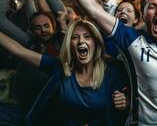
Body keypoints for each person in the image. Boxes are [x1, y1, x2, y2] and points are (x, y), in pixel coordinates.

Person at [0, 19, 128, 125]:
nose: (81, 41)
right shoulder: (59, 67)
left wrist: (124, 101)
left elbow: (127, 101)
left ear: (96, 43)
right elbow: (19, 51)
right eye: (75, 37)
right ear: (69, 44)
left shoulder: (111, 71)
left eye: (87, 37)